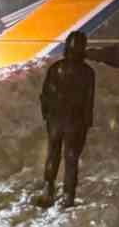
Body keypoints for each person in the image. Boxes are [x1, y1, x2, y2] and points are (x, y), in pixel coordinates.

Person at [37, 30, 95, 209]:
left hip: (55, 120)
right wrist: (87, 121)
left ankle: (48, 189)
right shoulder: (88, 72)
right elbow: (89, 100)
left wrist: (46, 114)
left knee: (52, 154)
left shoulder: (55, 68)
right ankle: (68, 195)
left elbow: (45, 94)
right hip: (75, 122)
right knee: (71, 158)